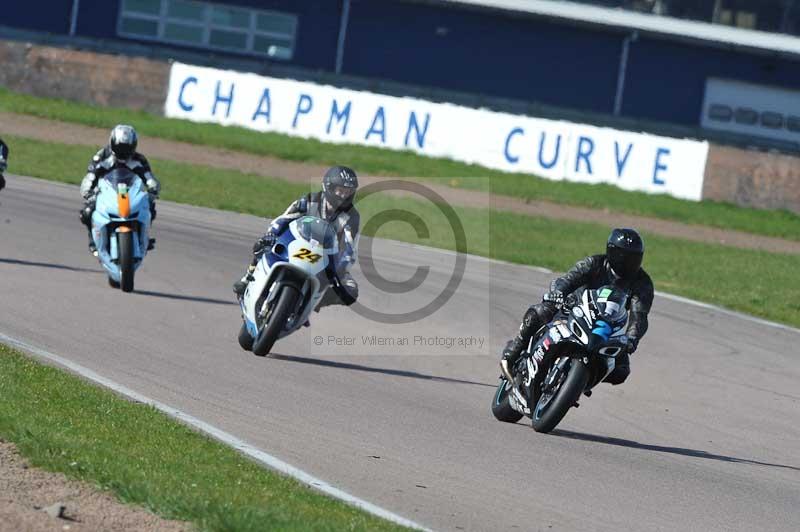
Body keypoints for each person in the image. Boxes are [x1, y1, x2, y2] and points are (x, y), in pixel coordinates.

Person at [500, 228, 654, 386]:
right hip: (573, 311)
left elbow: (639, 316)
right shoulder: (594, 263)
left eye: (634, 258)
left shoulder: (643, 283)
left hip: (605, 328)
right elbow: (567, 280)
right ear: (612, 251)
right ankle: (514, 350)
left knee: (621, 370)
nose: (627, 262)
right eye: (623, 256)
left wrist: (631, 338)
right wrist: (557, 294)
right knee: (542, 311)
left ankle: (579, 383)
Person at [233, 166, 360, 310]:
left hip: (326, 258)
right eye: (340, 190)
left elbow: (349, 249)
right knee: (264, 244)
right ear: (328, 187)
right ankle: (248, 277)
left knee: (350, 291)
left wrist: (340, 269)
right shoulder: (310, 200)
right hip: (296, 243)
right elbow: (284, 218)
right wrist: (271, 234)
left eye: (348, 192)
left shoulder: (352, 217)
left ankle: (314, 303)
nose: (344, 196)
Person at [79, 125, 160, 255]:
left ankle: (144, 236)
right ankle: (93, 241)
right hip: (107, 192)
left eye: (126, 149)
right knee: (87, 211)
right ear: (112, 143)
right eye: (120, 148)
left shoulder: (139, 159)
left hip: (130, 192)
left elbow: (148, 177)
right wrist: (88, 191)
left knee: (149, 205)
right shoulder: (101, 156)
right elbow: (90, 176)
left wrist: (153, 188)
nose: (123, 152)